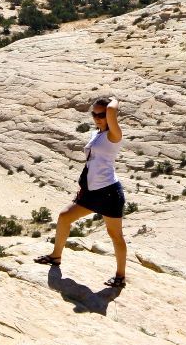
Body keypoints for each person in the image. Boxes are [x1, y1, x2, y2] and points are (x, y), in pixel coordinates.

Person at [35, 95, 127, 288]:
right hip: (92, 191)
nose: (97, 118)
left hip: (109, 192)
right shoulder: (97, 134)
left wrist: (114, 99)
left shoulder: (114, 135)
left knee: (115, 235)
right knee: (64, 216)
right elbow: (92, 163)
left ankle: (120, 276)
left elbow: (111, 110)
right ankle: (56, 256)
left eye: (101, 114)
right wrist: (84, 186)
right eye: (94, 114)